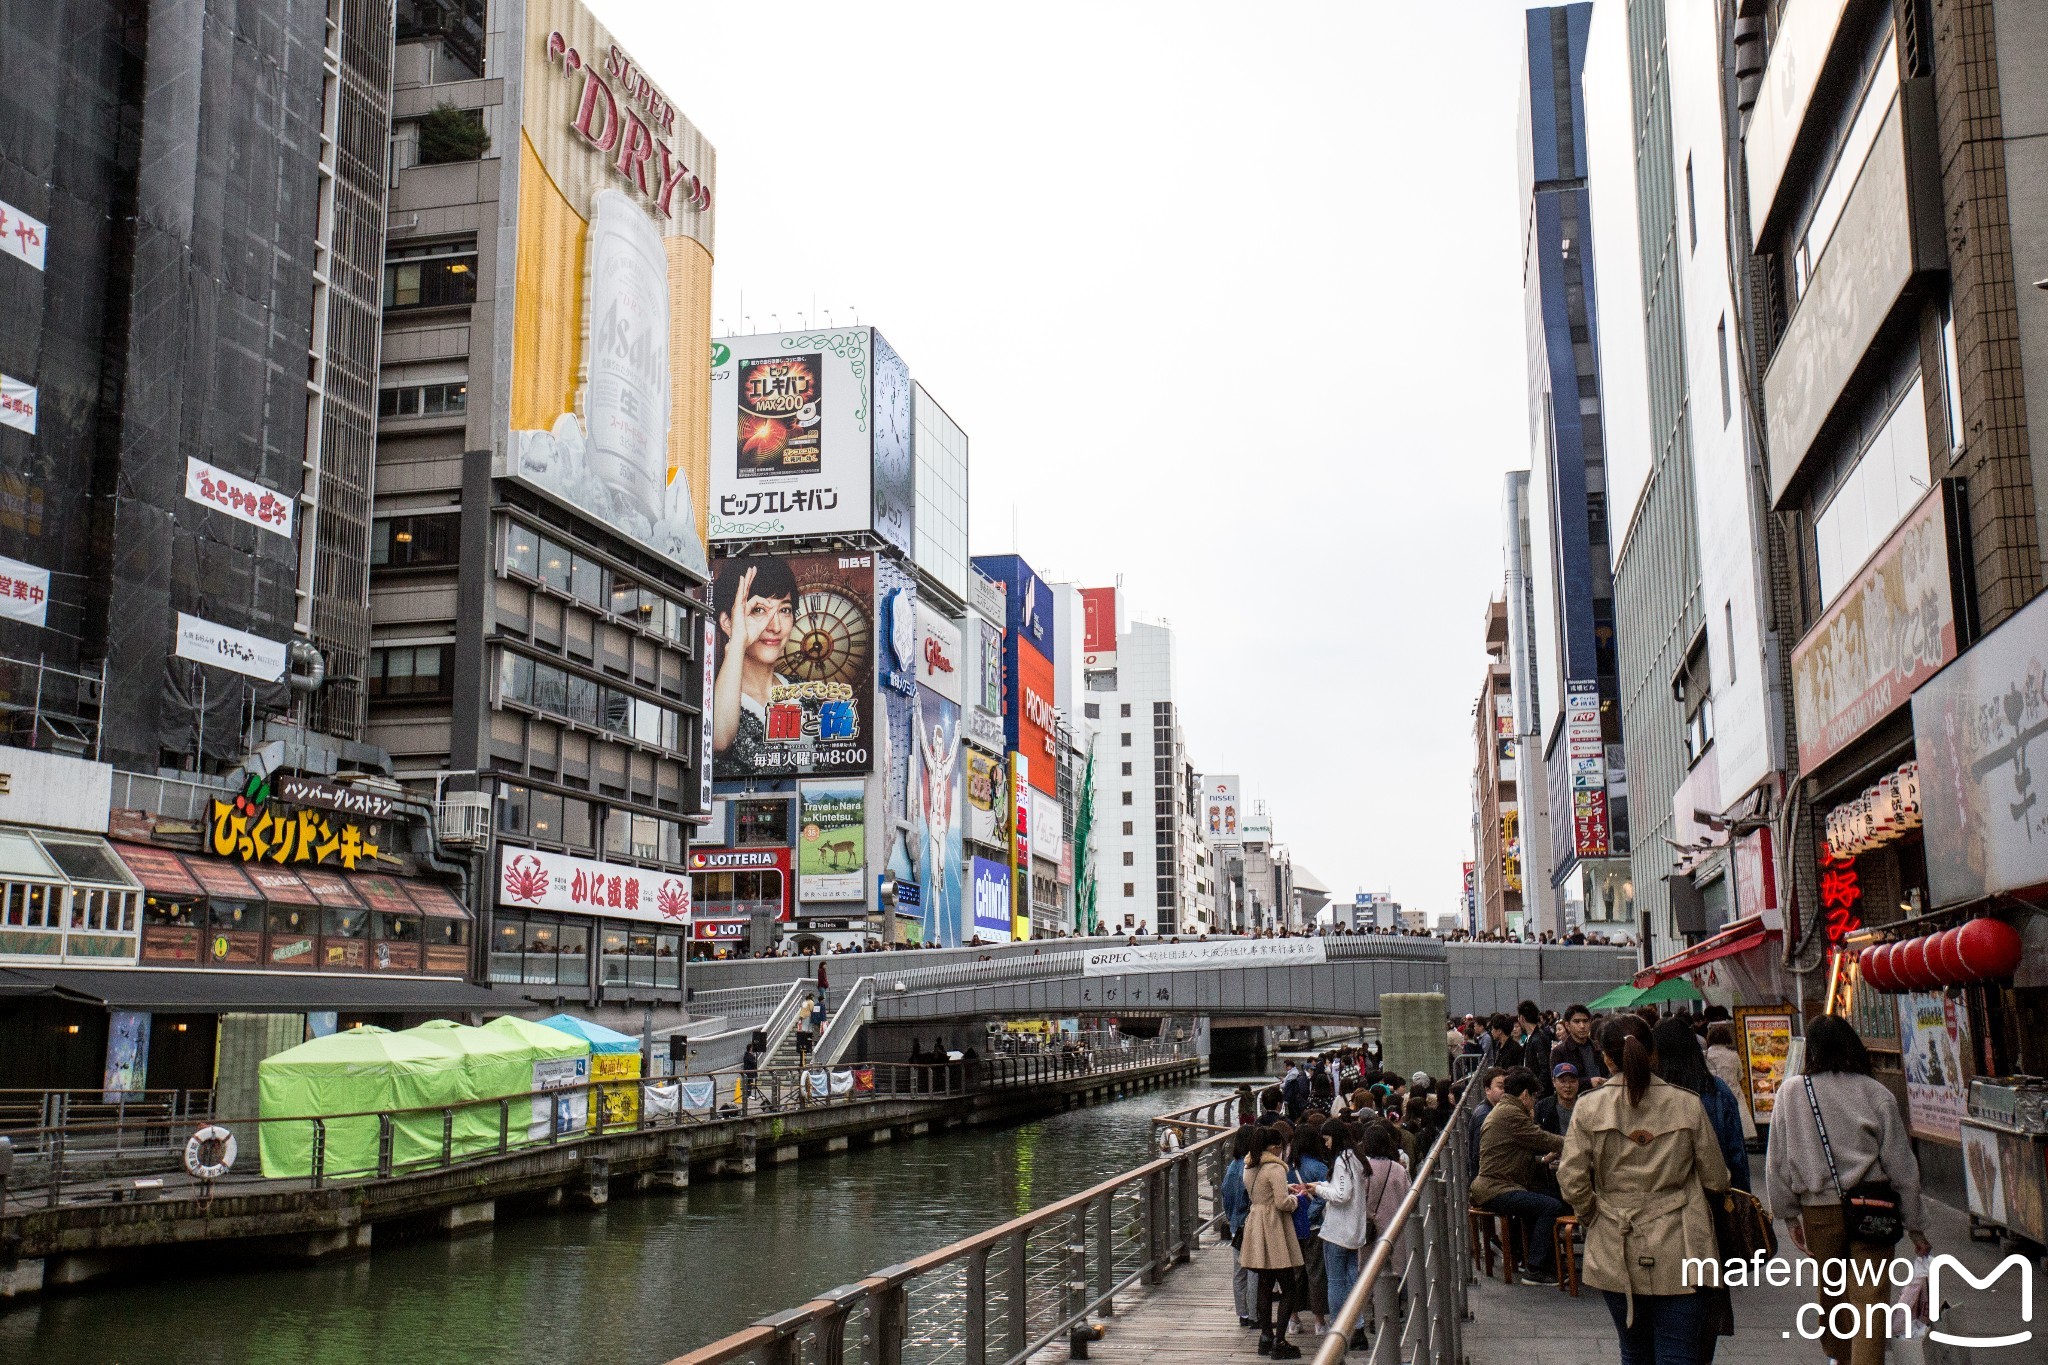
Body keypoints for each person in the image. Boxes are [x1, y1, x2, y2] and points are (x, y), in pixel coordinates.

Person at [1559, 1015, 1730, 1365]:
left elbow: (1572, 1177)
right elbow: (1716, 1178)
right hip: (1681, 1239)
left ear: (1606, 1058)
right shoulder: (1686, 1103)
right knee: (1678, 1352)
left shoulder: (1589, 1106)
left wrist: (1592, 1213)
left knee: (1634, 1351)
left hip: (1614, 1237)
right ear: (1652, 1052)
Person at [1764, 1016, 1928, 1365]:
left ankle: (1838, 1357)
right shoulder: (1876, 1093)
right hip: (1872, 1207)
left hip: (1818, 1212)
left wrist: (1789, 1215)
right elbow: (1902, 1166)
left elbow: (1776, 1160)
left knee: (1833, 1297)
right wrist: (1915, 1226)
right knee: (1870, 1304)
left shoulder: (1792, 1093)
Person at [1307, 1118, 1407, 1350]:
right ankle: (1357, 1327)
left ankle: (1338, 1329)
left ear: (1335, 1137)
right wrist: (1320, 1184)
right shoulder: (1356, 1158)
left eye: (1327, 1139)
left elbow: (1342, 1195)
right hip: (1355, 1231)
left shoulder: (1342, 1160)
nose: (1326, 1145)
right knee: (1353, 1279)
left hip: (1337, 1232)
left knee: (1335, 1281)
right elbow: (1347, 1189)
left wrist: (1319, 1190)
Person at [1468, 1067, 1568, 1285]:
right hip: (1498, 1189)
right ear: (1525, 1095)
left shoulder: (1506, 1110)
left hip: (1499, 1184)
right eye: (1533, 1097)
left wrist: (1543, 1159)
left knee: (1550, 1198)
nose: (1534, 1102)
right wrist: (1574, 1141)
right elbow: (1541, 1138)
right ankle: (1536, 1268)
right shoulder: (1511, 1114)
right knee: (1549, 1206)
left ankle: (1539, 1259)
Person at [1652, 1018, 1750, 1192]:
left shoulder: (1651, 1095)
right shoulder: (1716, 1090)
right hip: (1715, 1192)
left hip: (1666, 1195)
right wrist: (1742, 1193)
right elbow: (1736, 1152)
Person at [1240, 1126, 1306, 1359]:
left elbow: (1261, 1192)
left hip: (1256, 1223)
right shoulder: (1275, 1169)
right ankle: (1280, 1340)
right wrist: (1296, 1199)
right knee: (1289, 1286)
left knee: (1264, 1285)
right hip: (1274, 1227)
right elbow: (1281, 1203)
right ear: (1275, 1147)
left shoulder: (1250, 1166)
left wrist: (1283, 1189)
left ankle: (1265, 1336)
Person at [1288, 1124, 1332, 1335]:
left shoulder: (1287, 1168)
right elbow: (1324, 1197)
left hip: (1292, 1225)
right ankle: (1319, 1321)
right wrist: (1311, 1213)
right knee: (1316, 1273)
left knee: (1294, 1273)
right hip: (1315, 1227)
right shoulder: (1320, 1167)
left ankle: (1293, 1319)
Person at [1221, 1127, 1258, 1327]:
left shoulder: (1232, 1166)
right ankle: (1254, 1313)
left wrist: (1230, 1216)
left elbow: (1225, 1195)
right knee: (1253, 1269)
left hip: (1236, 1223)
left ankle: (1242, 1313)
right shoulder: (1250, 1167)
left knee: (1239, 1271)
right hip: (1249, 1223)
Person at [1702, 1022, 1756, 1144]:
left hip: (1713, 1094)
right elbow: (1740, 1075)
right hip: (1734, 1092)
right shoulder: (1733, 1055)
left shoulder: (1705, 1056)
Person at [1551, 1004, 1608, 1085]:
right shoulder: (1559, 1052)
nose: (1582, 1026)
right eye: (1577, 1021)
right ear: (1567, 1025)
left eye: (1585, 1021)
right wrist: (1588, 1083)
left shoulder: (1598, 1047)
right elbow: (1558, 1082)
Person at [1536, 1062, 1582, 1136]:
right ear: (1554, 1082)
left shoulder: (1586, 1106)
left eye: (1572, 1081)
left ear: (1578, 1082)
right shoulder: (1543, 1107)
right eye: (1563, 1081)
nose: (1568, 1086)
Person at [1468, 1067, 1507, 1155]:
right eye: (1500, 1087)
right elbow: (1479, 1152)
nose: (1504, 1091)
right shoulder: (1484, 1115)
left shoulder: (1491, 1110)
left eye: (1506, 1087)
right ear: (1487, 1090)